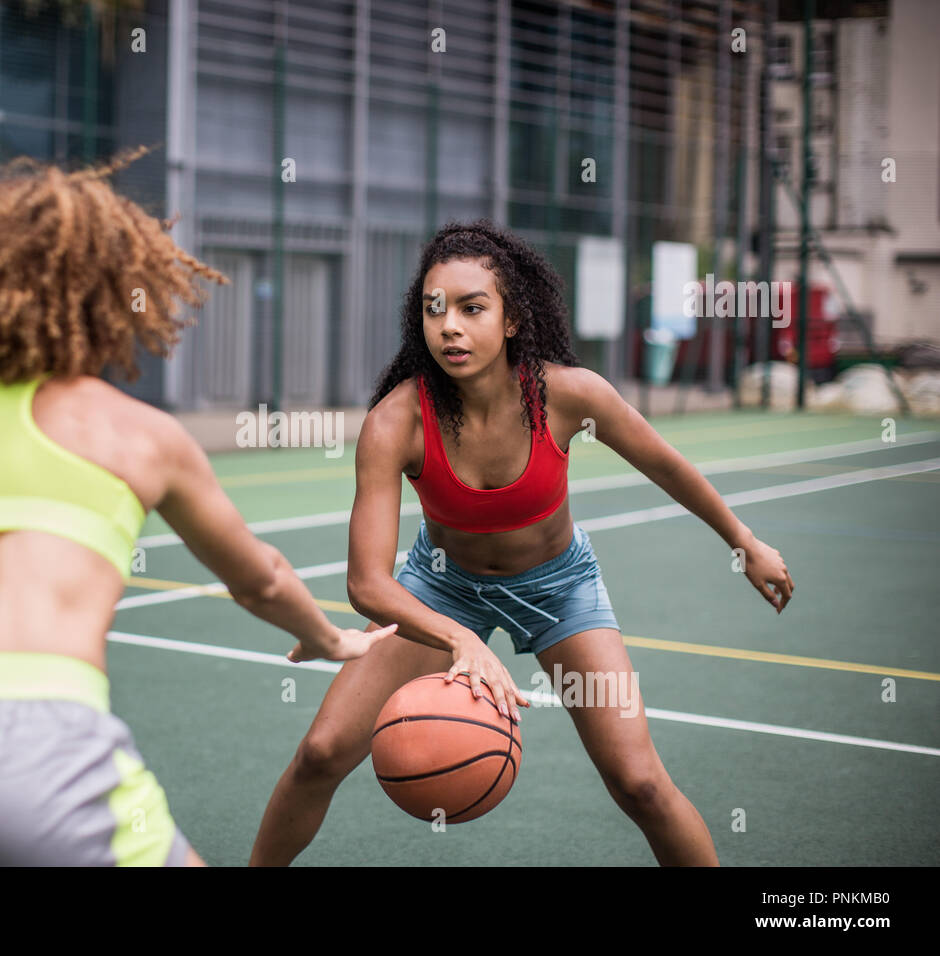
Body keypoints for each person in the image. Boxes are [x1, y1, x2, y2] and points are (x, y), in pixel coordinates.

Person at [0, 147, 392, 867]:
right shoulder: (138, 436)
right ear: (105, 291)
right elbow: (259, 578)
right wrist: (330, 639)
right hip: (46, 756)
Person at [249, 220, 794, 866]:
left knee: (640, 783)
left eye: (472, 308)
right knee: (319, 756)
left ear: (511, 320)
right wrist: (458, 637)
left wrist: (745, 541)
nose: (450, 325)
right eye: (435, 309)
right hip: (442, 587)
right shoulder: (395, 421)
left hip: (559, 589)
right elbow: (367, 583)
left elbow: (668, 466)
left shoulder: (568, 395)